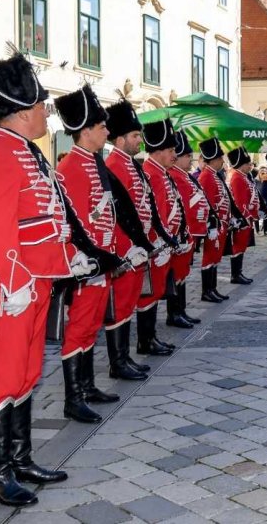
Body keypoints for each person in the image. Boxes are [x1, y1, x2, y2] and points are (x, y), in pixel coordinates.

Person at [0, 53, 76, 505]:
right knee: (6, 371)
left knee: (29, 370)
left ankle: (21, 457)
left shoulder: (25, 151)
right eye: (42, 107)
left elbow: (43, 217)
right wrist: (14, 280)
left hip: (39, 276)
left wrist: (69, 256)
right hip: (16, 282)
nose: (46, 114)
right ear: (22, 110)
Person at [54, 85, 125, 423]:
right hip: (87, 264)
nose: (107, 131)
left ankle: (88, 384)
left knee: (92, 325)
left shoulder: (91, 162)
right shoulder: (71, 166)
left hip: (102, 261)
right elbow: (75, 220)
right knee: (79, 328)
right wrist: (91, 257)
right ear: (85, 131)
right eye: (101, 127)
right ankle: (73, 397)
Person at [103, 98, 156, 381]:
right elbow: (117, 215)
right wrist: (128, 249)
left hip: (138, 246)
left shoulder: (130, 164)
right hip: (127, 250)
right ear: (121, 138)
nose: (140, 140)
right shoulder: (116, 165)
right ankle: (117, 362)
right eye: (135, 136)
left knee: (128, 304)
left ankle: (124, 357)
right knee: (120, 305)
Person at [137, 118, 186, 356]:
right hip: (156, 245)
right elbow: (152, 213)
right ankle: (146, 341)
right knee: (150, 293)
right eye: (170, 150)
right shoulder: (153, 174)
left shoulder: (161, 173)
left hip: (164, 243)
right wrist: (158, 242)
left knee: (156, 292)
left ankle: (151, 338)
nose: (174, 155)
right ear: (158, 151)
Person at [168, 131, 211, 327]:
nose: (190, 159)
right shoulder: (175, 176)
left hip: (190, 231)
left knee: (183, 273)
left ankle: (181, 310)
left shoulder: (184, 176)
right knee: (177, 274)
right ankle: (174, 313)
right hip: (182, 232)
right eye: (187, 156)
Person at [198, 137, 232, 303]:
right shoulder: (206, 176)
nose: (222, 161)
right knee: (209, 257)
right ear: (213, 160)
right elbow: (208, 203)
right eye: (220, 159)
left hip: (221, 224)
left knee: (215, 257)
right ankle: (207, 291)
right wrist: (211, 224)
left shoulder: (215, 175)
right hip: (214, 225)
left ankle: (213, 288)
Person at [226, 146, 258, 284]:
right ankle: (235, 274)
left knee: (242, 246)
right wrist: (245, 218)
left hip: (247, 217)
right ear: (241, 164)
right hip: (243, 218)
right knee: (238, 246)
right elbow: (239, 202)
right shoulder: (238, 178)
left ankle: (238, 272)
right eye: (247, 164)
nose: (249, 166)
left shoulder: (243, 177)